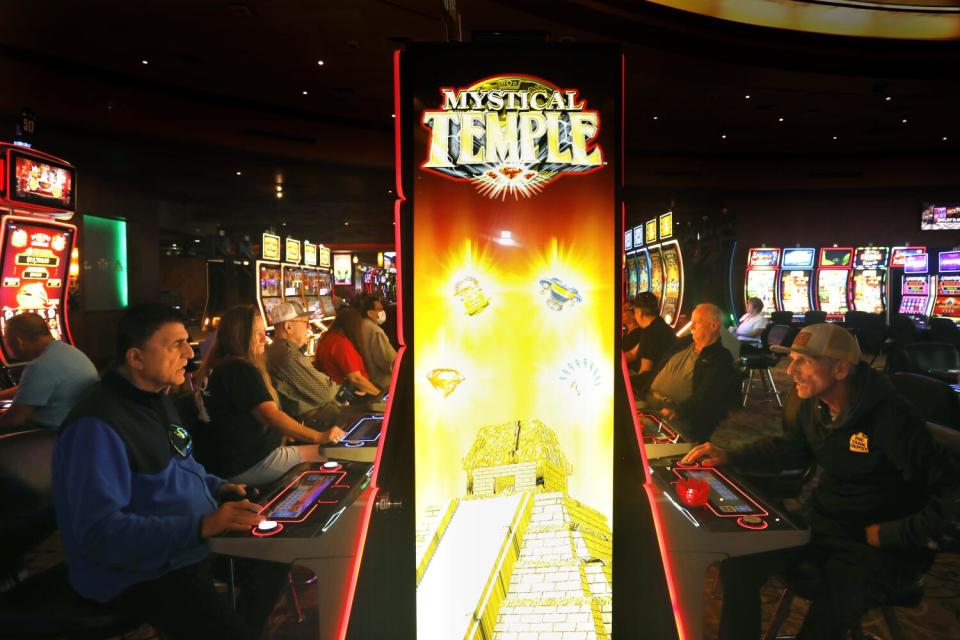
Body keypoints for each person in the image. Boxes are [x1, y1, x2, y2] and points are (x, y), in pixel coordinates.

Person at [683, 323, 960, 639]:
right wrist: (729, 455)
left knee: (820, 625)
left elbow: (951, 495)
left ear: (840, 369)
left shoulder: (893, 417)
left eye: (803, 362)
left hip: (881, 544)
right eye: (792, 360)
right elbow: (790, 450)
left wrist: (890, 534)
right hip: (827, 523)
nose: (790, 371)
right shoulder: (811, 405)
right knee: (739, 566)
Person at [51, 303, 285, 640]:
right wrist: (202, 525)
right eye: (176, 344)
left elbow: (184, 466)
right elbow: (100, 534)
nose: (190, 353)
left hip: (185, 545)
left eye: (187, 342)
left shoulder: (156, 399)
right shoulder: (96, 425)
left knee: (272, 559)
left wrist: (220, 487)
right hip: (137, 572)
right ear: (136, 358)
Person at [193, 305, 345, 486]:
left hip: (227, 463)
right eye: (257, 333)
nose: (264, 338)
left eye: (264, 332)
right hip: (248, 464)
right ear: (239, 335)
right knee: (335, 455)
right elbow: (269, 414)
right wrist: (318, 436)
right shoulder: (240, 369)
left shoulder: (217, 366)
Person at [642, 303, 735, 442]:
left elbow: (704, 398)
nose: (690, 327)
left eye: (696, 323)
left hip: (677, 415)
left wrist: (678, 411)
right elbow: (658, 371)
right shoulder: (682, 344)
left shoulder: (720, 358)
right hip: (649, 402)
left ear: (713, 326)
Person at [0, 312, 98, 432]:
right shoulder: (68, 352)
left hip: (52, 435)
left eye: (8, 343)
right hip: (79, 428)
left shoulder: (41, 365)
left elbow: (14, 419)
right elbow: (31, 387)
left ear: (19, 341)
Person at [265, 300, 340, 425]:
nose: (310, 327)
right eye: (306, 322)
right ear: (288, 327)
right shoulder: (287, 355)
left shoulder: (280, 350)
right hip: (315, 422)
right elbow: (325, 393)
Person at [314, 306, 382, 397]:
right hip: (345, 393)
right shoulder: (341, 343)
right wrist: (381, 397)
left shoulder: (327, 337)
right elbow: (356, 378)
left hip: (334, 389)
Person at [625, 292, 677, 378]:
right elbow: (632, 354)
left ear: (639, 312)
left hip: (655, 384)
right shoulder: (661, 324)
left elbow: (645, 372)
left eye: (635, 311)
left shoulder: (650, 332)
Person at [356, 295, 397, 390]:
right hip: (382, 383)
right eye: (380, 309)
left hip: (368, 380)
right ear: (370, 313)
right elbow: (389, 361)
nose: (383, 312)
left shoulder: (360, 325)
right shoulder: (376, 331)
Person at [622, 298, 642, 365]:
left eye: (624, 310)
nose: (621, 312)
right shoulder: (626, 331)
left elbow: (630, 357)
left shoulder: (638, 334)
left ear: (634, 314)